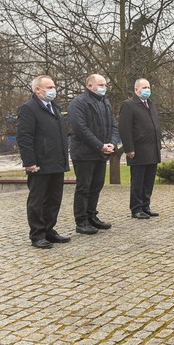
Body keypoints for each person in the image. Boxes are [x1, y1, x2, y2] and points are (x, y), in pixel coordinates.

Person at [17, 75, 71, 248]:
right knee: (38, 200)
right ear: (37, 90)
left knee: (54, 199)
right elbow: (25, 137)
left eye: (54, 86)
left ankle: (49, 229)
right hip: (39, 163)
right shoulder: (29, 108)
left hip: (56, 161)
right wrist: (29, 161)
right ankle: (37, 234)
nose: (53, 90)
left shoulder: (54, 108)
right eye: (49, 87)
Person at [69, 74, 118, 235]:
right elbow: (80, 129)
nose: (104, 87)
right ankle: (81, 221)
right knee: (84, 188)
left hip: (101, 153)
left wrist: (111, 143)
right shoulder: (79, 103)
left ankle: (92, 216)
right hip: (84, 153)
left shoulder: (105, 102)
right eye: (100, 84)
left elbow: (113, 125)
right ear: (90, 86)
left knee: (96, 186)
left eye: (105, 84)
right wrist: (99, 146)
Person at [118, 78, 162, 219]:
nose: (147, 90)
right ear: (136, 90)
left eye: (148, 87)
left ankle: (145, 206)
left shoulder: (150, 104)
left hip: (153, 149)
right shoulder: (129, 105)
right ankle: (136, 208)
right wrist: (129, 148)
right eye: (144, 87)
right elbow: (124, 128)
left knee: (149, 181)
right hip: (138, 150)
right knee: (138, 181)